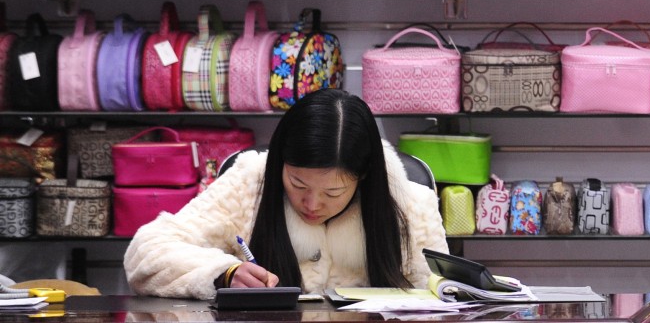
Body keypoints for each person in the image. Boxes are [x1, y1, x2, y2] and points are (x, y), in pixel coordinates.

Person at [124, 89, 449, 299]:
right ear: (280, 163)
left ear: (363, 177)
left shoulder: (410, 203)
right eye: (298, 184)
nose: (311, 204)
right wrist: (223, 274)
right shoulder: (249, 182)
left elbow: (439, 298)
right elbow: (147, 251)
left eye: (332, 192)